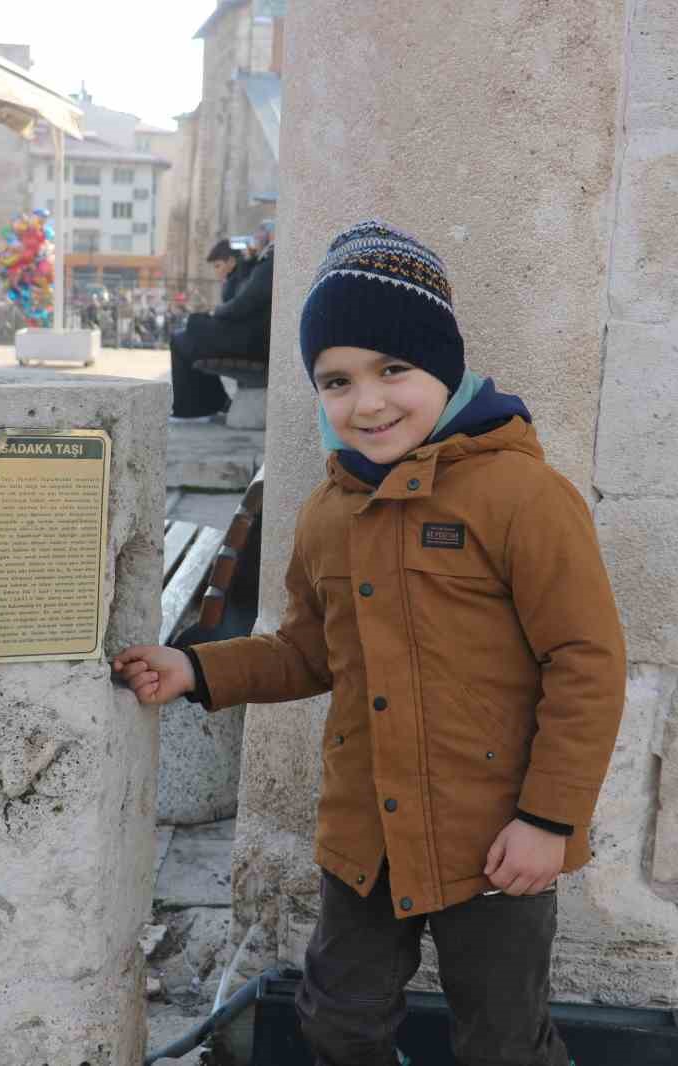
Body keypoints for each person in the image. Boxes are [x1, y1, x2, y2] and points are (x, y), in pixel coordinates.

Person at [115, 220, 626, 1065]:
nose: (370, 401)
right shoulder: (328, 512)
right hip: (366, 838)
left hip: (495, 839)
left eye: (395, 369)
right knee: (337, 1023)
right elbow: (305, 653)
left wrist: (549, 819)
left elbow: (587, 663)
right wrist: (195, 668)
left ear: (445, 366)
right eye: (338, 380)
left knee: (504, 1043)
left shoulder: (522, 495)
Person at [168, 219, 276, 420]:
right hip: (246, 336)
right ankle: (203, 404)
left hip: (252, 342)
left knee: (193, 325)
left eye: (260, 235)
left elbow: (243, 302)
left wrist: (215, 312)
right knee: (181, 339)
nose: (253, 240)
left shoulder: (269, 265)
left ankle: (203, 405)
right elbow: (237, 296)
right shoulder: (259, 264)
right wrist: (248, 260)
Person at [207, 238, 251, 304]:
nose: (215, 271)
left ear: (231, 262)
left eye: (217, 266)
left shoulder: (233, 287)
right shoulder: (244, 277)